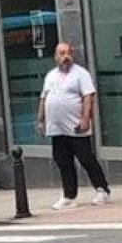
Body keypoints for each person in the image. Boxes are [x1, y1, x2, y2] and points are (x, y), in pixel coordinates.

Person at [37, 42, 111, 210]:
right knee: (63, 161)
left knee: (86, 158)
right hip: (56, 128)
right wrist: (41, 120)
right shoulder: (50, 76)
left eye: (69, 53)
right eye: (62, 54)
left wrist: (86, 119)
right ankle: (69, 195)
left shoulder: (81, 74)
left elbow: (88, 97)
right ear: (56, 57)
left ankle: (102, 189)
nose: (66, 57)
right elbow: (44, 98)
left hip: (75, 126)